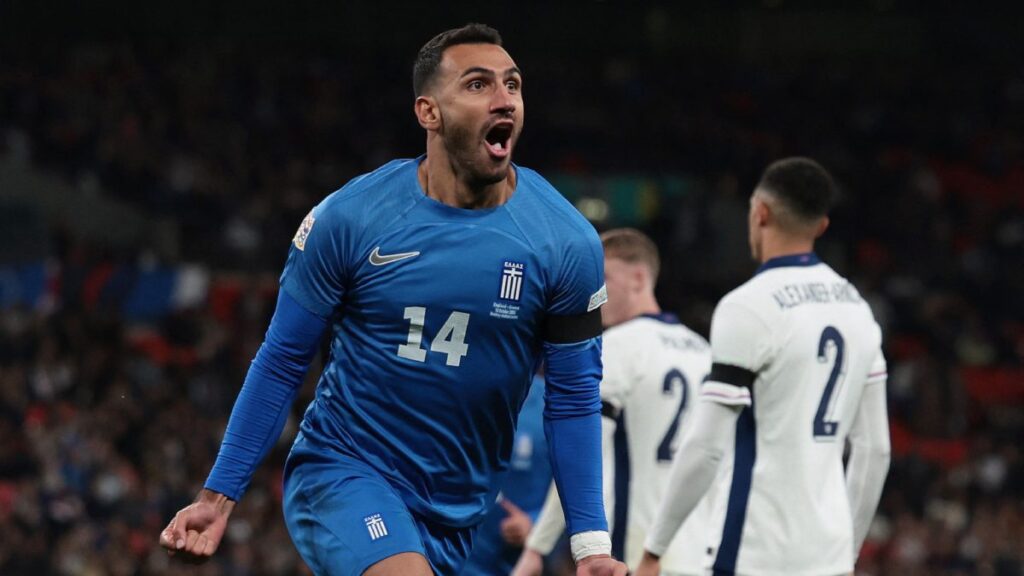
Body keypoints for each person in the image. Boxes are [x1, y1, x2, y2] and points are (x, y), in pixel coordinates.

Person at [158, 24, 627, 576]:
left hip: (462, 511)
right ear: (428, 113)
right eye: (478, 85)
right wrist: (217, 498)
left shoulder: (564, 242)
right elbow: (283, 358)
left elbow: (573, 397)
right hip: (345, 472)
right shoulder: (352, 219)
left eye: (513, 85)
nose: (504, 100)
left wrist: (591, 545)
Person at [635, 158, 891, 576]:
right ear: (821, 226)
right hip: (827, 554)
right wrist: (846, 551)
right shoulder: (858, 309)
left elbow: (706, 446)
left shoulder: (748, 306)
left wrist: (655, 546)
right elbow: (874, 449)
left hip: (753, 550)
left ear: (760, 213)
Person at [512, 228, 714, 576]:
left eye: (604, 277)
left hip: (634, 555)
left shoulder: (616, 346)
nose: (595, 290)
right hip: (699, 554)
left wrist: (537, 546)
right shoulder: (704, 351)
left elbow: (583, 458)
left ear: (638, 279)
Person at [460, 373, 552, 575]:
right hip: (456, 551)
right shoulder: (460, 392)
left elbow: (573, 487)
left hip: (513, 560)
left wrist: (534, 525)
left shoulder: (553, 405)